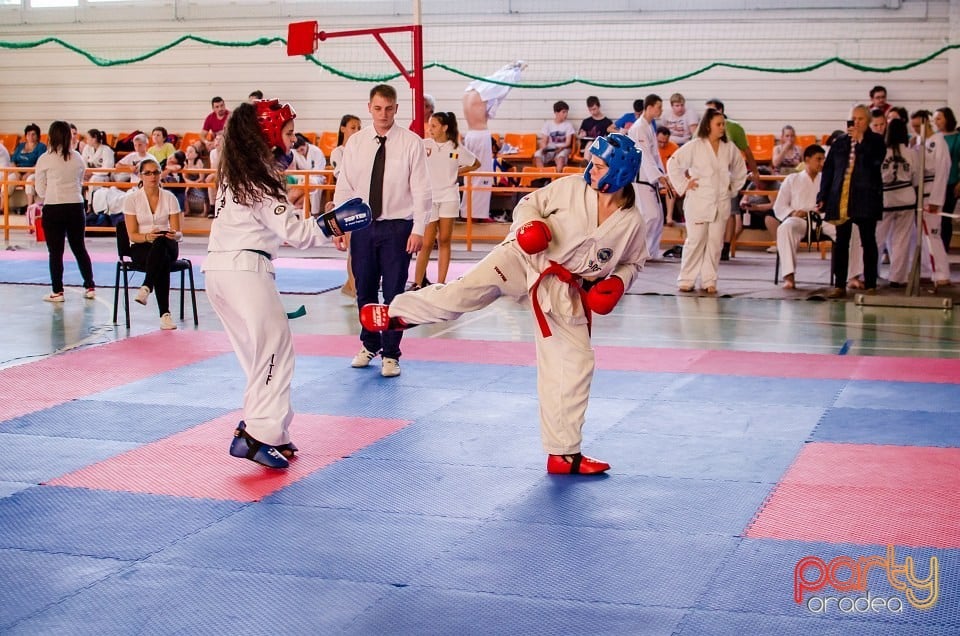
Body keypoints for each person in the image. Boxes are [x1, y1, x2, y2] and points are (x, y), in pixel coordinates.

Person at [358, 133, 647, 475]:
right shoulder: (572, 188)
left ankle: (564, 453)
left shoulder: (632, 223)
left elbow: (634, 262)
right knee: (464, 293)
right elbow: (528, 203)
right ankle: (396, 315)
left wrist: (617, 281)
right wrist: (531, 225)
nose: (590, 171)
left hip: (563, 291)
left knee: (577, 364)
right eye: (591, 164)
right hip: (523, 258)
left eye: (599, 166)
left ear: (621, 172)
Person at [203, 98, 368, 469]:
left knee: (258, 356)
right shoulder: (258, 175)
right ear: (269, 134)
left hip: (218, 270)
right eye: (289, 132)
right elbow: (296, 232)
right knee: (276, 352)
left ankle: (272, 432)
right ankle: (256, 437)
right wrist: (336, 222)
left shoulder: (236, 171)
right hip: (245, 271)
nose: (294, 140)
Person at [334, 84, 431, 378]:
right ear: (369, 108)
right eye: (378, 108)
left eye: (389, 108)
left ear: (396, 109)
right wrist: (339, 225)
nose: (383, 114)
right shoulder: (356, 143)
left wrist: (418, 229)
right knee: (364, 289)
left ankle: (391, 354)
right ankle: (369, 344)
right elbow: (345, 187)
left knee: (393, 293)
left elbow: (422, 190)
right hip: (362, 225)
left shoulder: (411, 142)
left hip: (399, 227)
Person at [667, 108, 748, 294]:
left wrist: (732, 187)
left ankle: (709, 280)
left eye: (723, 124)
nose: (722, 128)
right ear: (708, 125)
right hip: (699, 201)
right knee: (695, 241)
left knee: (714, 243)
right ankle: (686, 279)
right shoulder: (695, 146)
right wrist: (684, 184)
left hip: (721, 202)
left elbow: (740, 169)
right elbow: (673, 163)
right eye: (718, 124)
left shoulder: (729, 148)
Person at [817, 104, 885, 298]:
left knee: (868, 240)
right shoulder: (840, 142)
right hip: (842, 198)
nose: (856, 122)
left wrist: (861, 141)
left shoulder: (876, 141)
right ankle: (839, 284)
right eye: (853, 118)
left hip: (865, 198)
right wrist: (823, 195)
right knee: (841, 241)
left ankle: (870, 283)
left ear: (868, 121)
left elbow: (875, 163)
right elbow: (829, 171)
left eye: (860, 119)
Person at [413, 111, 479, 289]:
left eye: (434, 126)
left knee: (444, 240)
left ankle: (441, 283)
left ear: (444, 128)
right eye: (429, 125)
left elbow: (475, 163)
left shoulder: (455, 148)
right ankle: (417, 283)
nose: (430, 129)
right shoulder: (424, 145)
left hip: (449, 197)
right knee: (426, 242)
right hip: (430, 198)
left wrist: (456, 172)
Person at [33, 120, 96, 302]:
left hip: (54, 206)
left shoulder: (45, 158)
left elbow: (40, 190)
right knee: (79, 248)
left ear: (51, 136)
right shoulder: (77, 157)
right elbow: (81, 182)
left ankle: (57, 292)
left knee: (55, 252)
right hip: (76, 206)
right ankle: (90, 286)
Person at [122, 157, 183, 329]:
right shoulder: (131, 199)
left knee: (161, 243)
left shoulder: (170, 198)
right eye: (147, 173)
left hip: (168, 243)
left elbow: (178, 233)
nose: (152, 176)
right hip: (142, 246)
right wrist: (148, 236)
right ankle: (165, 315)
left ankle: (147, 286)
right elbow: (133, 235)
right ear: (141, 176)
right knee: (160, 259)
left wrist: (174, 234)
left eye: (156, 172)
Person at [462, 61, 525, 222]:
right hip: (480, 135)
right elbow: (502, 84)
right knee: (483, 176)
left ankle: (468, 213)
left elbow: (496, 78)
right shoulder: (482, 93)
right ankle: (477, 215)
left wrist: (510, 68)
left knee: (471, 175)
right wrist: (517, 71)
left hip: (469, 135)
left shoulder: (469, 92)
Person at [705, 99, 759, 261]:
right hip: (707, 178)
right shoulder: (703, 128)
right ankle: (709, 245)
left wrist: (754, 171)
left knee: (729, 212)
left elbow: (747, 151)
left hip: (728, 177)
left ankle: (726, 247)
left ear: (720, 111)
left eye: (712, 110)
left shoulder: (734, 128)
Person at [775, 145, 829, 289]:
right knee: (785, 228)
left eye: (823, 159)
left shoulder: (826, 179)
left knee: (849, 228)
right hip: (800, 220)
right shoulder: (792, 179)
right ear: (807, 159)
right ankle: (789, 276)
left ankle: (853, 276)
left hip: (823, 219)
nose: (822, 163)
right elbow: (779, 206)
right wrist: (793, 213)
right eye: (818, 159)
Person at [876, 118, 918, 287]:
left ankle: (869, 274)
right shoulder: (911, 153)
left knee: (877, 238)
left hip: (886, 199)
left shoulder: (881, 152)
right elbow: (916, 179)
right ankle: (898, 278)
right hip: (906, 198)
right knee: (901, 240)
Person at [912, 109, 952, 283]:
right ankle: (927, 271)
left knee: (933, 234)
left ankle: (941, 273)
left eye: (916, 126)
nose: (914, 129)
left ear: (926, 123)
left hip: (931, 194)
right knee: (921, 236)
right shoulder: (918, 142)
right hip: (918, 193)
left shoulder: (938, 141)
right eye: (912, 126)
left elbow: (943, 171)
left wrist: (936, 199)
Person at [330, 114, 362, 297]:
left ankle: (350, 285)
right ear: (343, 129)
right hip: (346, 204)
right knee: (354, 248)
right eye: (352, 127)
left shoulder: (361, 149)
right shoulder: (338, 152)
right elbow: (341, 175)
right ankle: (355, 287)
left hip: (361, 202)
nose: (356, 131)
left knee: (360, 247)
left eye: (358, 127)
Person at [938, 106, 960, 256]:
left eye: (939, 118)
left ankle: (944, 250)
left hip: (952, 183)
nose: (936, 122)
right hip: (936, 184)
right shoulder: (936, 137)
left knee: (946, 219)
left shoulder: (957, 138)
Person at [289, 133, 328, 214]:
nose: (300, 153)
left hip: (317, 177)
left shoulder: (316, 151)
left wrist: (306, 177)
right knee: (289, 181)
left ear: (306, 144)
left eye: (302, 150)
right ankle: (294, 211)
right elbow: (294, 170)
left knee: (312, 185)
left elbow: (318, 171)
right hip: (302, 177)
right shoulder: (294, 152)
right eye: (298, 151)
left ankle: (315, 213)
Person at [12, 123, 47, 207]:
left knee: (29, 180)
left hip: (33, 172)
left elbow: (39, 163)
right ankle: (3, 207)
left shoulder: (41, 147)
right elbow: (12, 161)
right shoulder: (20, 146)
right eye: (28, 134)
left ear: (38, 136)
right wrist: (16, 172)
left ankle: (29, 207)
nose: (30, 136)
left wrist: (28, 173)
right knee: (9, 179)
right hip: (18, 171)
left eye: (33, 134)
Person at [533, 100, 576, 171]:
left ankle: (556, 177)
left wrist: (560, 148)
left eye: (566, 112)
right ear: (556, 113)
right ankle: (542, 176)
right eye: (563, 112)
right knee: (537, 155)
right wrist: (544, 148)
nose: (566, 114)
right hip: (550, 148)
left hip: (563, 148)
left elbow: (568, 143)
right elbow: (544, 140)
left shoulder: (568, 125)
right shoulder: (548, 124)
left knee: (560, 157)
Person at [80, 128, 115, 205]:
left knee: (94, 179)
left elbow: (107, 169)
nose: (86, 141)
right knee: (78, 178)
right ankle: (80, 203)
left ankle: (90, 204)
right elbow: (83, 162)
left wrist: (92, 173)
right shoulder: (87, 148)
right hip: (88, 174)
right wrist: (85, 173)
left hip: (103, 177)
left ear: (94, 138)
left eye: (88, 138)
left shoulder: (106, 150)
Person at [182, 142, 209, 216]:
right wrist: (191, 184)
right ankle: (187, 210)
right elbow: (184, 177)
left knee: (202, 188)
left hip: (198, 181)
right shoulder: (185, 163)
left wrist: (195, 183)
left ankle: (205, 211)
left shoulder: (198, 162)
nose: (188, 153)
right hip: (189, 182)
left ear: (196, 154)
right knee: (185, 190)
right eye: (187, 151)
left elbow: (201, 177)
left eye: (190, 152)